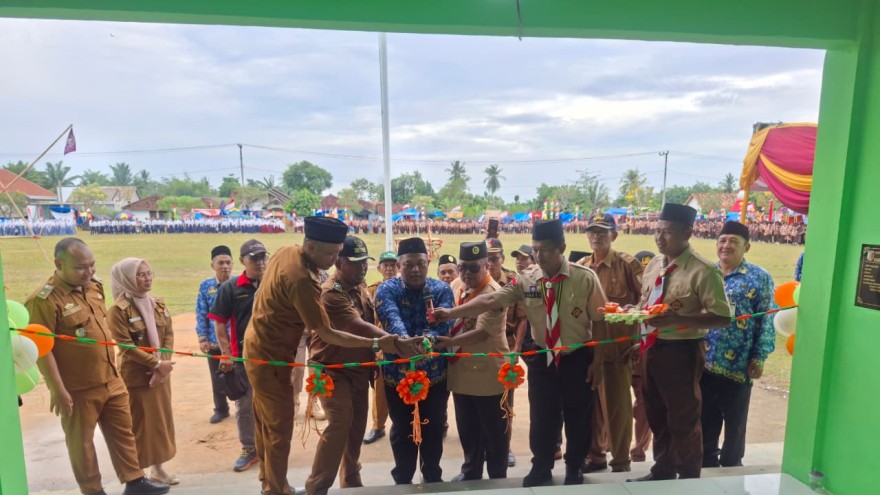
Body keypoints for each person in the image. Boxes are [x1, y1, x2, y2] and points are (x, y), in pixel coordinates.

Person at [434, 219, 607, 487]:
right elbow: (491, 299)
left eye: (546, 250)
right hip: (542, 358)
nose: (539, 255)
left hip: (577, 357)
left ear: (561, 247)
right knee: (542, 416)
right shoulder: (527, 279)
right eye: (536, 249)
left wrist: (597, 361)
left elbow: (600, 320)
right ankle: (541, 467)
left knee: (578, 415)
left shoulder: (584, 278)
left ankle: (574, 467)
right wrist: (451, 313)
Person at [243, 217, 409, 495]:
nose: (334, 260)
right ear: (310, 246)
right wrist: (380, 344)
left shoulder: (287, 252)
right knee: (279, 427)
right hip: (272, 358)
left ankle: (272, 481)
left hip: (267, 349)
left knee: (268, 423)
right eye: (332, 254)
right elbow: (328, 332)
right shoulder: (304, 281)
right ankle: (278, 489)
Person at [24, 238, 169, 495]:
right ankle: (93, 490)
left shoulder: (94, 287)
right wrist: (58, 389)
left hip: (110, 378)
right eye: (81, 267)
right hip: (77, 387)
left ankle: (135, 481)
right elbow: (42, 351)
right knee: (82, 444)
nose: (89, 272)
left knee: (123, 432)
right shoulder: (43, 300)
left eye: (92, 265)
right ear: (59, 263)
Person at [627, 203, 732, 482]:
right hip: (652, 348)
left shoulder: (704, 270)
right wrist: (634, 315)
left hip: (682, 352)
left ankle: (688, 478)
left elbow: (722, 316)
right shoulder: (653, 264)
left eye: (668, 232)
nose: (660, 238)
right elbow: (647, 302)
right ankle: (662, 471)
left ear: (688, 232)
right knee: (656, 413)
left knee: (683, 420)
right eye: (657, 231)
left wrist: (678, 320)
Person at [306, 236, 399, 495]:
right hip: (332, 372)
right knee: (339, 424)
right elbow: (357, 325)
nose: (362, 268)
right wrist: (395, 342)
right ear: (339, 261)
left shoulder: (359, 288)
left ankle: (351, 483)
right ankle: (317, 487)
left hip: (359, 371)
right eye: (356, 263)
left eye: (365, 263)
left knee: (356, 428)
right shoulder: (329, 293)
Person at [374, 237, 455, 484]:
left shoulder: (441, 289)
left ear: (428, 262)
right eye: (409, 264)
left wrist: (418, 345)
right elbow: (391, 318)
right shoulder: (387, 289)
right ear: (399, 265)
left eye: (420, 263)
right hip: (397, 378)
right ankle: (403, 479)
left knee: (433, 427)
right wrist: (404, 341)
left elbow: (445, 325)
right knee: (402, 429)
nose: (415, 269)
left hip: (435, 378)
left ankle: (432, 477)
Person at [702, 221, 776, 467]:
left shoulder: (759, 277)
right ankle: (706, 461)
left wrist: (759, 357)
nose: (726, 246)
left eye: (734, 241)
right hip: (703, 362)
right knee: (705, 418)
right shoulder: (706, 272)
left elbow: (766, 319)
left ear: (747, 247)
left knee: (735, 422)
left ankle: (732, 465)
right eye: (722, 241)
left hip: (738, 364)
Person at [578, 213, 644, 474]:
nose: (596, 237)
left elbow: (646, 301)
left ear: (614, 236)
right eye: (592, 232)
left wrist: (639, 339)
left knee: (618, 409)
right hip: (589, 349)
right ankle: (595, 456)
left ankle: (620, 461)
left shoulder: (628, 265)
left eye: (602, 232)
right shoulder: (582, 265)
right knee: (591, 408)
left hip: (618, 350)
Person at [439, 242, 509, 481]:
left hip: (487, 374)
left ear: (485, 265)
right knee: (468, 428)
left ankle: (498, 476)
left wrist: (444, 343)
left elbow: (482, 333)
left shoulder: (494, 292)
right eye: (462, 267)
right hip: (461, 371)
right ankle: (471, 471)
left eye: (473, 268)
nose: (466, 273)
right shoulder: (456, 285)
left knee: (494, 431)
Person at [107, 258, 178, 485]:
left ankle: (158, 469)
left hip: (161, 376)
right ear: (126, 279)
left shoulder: (158, 304)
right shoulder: (118, 311)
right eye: (140, 275)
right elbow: (126, 346)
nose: (147, 278)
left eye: (149, 273)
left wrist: (163, 364)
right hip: (137, 377)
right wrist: (155, 364)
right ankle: (138, 474)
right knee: (138, 424)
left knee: (159, 422)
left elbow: (168, 336)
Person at [208, 239, 267, 473]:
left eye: (263, 257)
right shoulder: (230, 288)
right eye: (255, 258)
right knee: (244, 405)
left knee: (273, 404)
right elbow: (219, 323)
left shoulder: (274, 283)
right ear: (243, 261)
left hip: (272, 358)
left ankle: (270, 447)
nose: (261, 262)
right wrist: (226, 355)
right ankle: (249, 448)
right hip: (243, 359)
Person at [485, 237, 528, 468]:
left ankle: (505, 446)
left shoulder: (513, 281)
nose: (491, 264)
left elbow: (521, 318)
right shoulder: (475, 279)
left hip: (507, 345)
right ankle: (484, 444)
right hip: (481, 348)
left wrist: (516, 349)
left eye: (495, 258)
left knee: (505, 399)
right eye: (487, 259)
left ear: (502, 258)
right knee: (482, 397)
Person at [363, 250, 399, 445]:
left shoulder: (404, 287)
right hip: (380, 348)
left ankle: (405, 423)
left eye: (393, 264)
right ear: (379, 268)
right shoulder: (371, 290)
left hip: (401, 346)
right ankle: (378, 426)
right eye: (385, 264)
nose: (389, 268)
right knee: (380, 389)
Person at [196, 245, 234, 424]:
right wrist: (202, 338)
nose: (225, 266)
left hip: (236, 342)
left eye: (228, 262)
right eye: (221, 263)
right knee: (216, 377)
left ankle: (245, 409)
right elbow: (201, 313)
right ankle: (221, 409)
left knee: (241, 376)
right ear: (213, 265)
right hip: (214, 342)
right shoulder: (206, 287)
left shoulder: (238, 285)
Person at [630, 250, 655, 463]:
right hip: (622, 353)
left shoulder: (657, 294)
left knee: (642, 406)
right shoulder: (630, 288)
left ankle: (639, 447)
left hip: (644, 357)